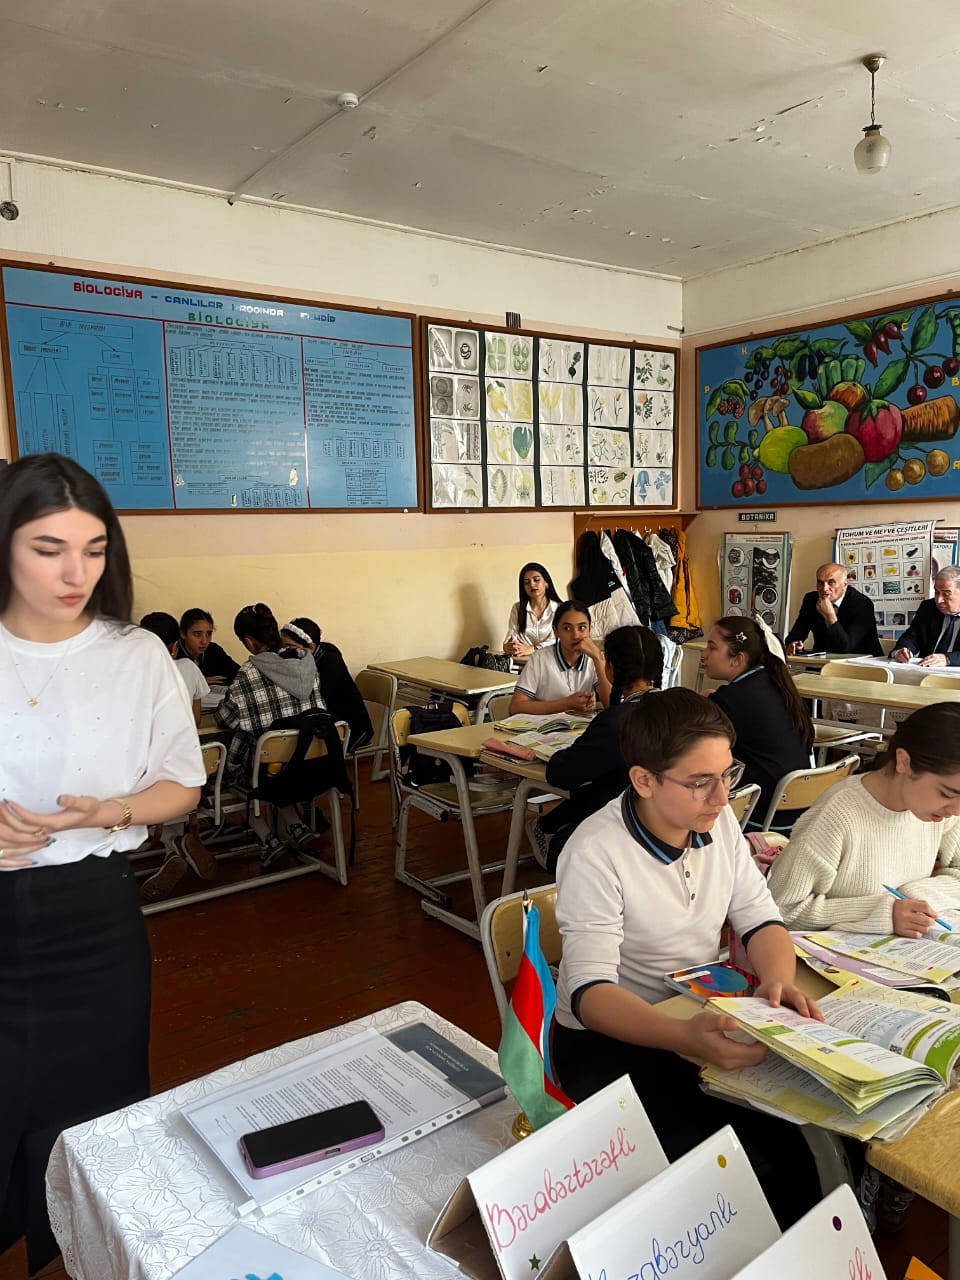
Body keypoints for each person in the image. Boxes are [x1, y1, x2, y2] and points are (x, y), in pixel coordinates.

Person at [0, 453, 203, 1271]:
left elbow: (182, 784)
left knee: (93, 1121)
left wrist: (109, 810)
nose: (75, 573)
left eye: (93, 549)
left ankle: (71, 1252)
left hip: (95, 920)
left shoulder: (136, 654)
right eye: (48, 549)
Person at [552, 687, 822, 1229]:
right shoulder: (596, 850)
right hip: (614, 1038)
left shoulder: (716, 822)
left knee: (803, 1139)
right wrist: (684, 1038)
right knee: (714, 1168)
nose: (722, 797)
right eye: (701, 781)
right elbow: (588, 993)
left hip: (696, 1011)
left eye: (727, 774)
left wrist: (778, 981)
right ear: (644, 780)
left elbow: (760, 916)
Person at [767, 702, 960, 934]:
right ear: (904, 762)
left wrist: (915, 897)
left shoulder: (939, 812)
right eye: (947, 794)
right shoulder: (837, 814)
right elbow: (781, 909)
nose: (956, 810)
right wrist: (882, 912)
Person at [530, 625, 663, 872]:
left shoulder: (616, 722)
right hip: (668, 827)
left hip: (622, 836)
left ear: (610, 667)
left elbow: (561, 774)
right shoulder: (680, 709)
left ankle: (549, 837)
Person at [215, 603, 328, 866]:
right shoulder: (306, 662)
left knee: (235, 769)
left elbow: (225, 718)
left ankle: (267, 838)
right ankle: (294, 825)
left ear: (248, 641)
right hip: (311, 766)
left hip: (268, 771)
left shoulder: (249, 673)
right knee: (274, 762)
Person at [703, 616, 813, 823]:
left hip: (761, 815)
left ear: (737, 659)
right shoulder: (774, 683)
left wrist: (710, 703)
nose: (704, 654)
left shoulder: (731, 700)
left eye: (712, 647)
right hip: (797, 809)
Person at [280, 617, 372, 752]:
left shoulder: (330, 663)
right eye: (282, 646)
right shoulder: (307, 660)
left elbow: (315, 701)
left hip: (351, 728)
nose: (284, 651)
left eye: (290, 646)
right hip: (330, 722)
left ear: (311, 647)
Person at [508, 600, 611, 716]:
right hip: (546, 725)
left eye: (582, 627)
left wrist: (598, 658)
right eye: (567, 628)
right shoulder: (540, 658)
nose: (575, 635)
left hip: (583, 725)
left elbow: (611, 705)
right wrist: (566, 704)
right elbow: (515, 707)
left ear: (589, 630)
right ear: (556, 631)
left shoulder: (594, 659)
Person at [785, 562, 882, 656]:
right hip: (824, 660)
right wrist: (794, 644)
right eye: (820, 583)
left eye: (831, 582)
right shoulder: (811, 600)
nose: (824, 589)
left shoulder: (862, 604)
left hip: (862, 661)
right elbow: (794, 636)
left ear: (844, 584)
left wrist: (830, 616)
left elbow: (846, 647)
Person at [141, 610, 209, 725]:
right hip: (182, 735)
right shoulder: (189, 667)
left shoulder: (133, 673)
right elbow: (195, 720)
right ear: (175, 646)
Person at [892, 567, 960, 666]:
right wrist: (902, 651)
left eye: (946, 594)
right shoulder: (928, 608)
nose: (939, 600)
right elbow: (912, 637)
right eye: (937, 593)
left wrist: (947, 659)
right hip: (926, 670)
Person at [503, 562, 561, 660]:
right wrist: (509, 647)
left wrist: (533, 649)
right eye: (527, 582)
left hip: (552, 661)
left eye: (536, 580)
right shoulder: (517, 608)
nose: (532, 584)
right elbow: (511, 636)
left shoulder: (560, 609)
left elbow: (558, 641)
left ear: (546, 583)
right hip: (524, 662)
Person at [177, 607, 240, 685]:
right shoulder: (174, 655)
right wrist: (199, 684)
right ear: (183, 633)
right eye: (197, 634)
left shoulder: (213, 650)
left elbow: (238, 675)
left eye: (209, 634)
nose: (204, 641)